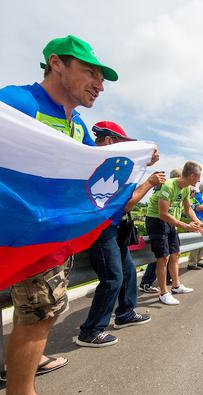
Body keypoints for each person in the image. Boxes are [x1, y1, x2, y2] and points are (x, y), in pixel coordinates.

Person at [0, 35, 116, 395]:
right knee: (38, 310)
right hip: (25, 233)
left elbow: (94, 175)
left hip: (54, 235)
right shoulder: (16, 102)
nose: (99, 83)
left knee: (45, 308)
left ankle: (29, 364)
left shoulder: (77, 124)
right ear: (56, 64)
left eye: (102, 77)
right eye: (90, 72)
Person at [75, 121, 164, 348]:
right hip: (101, 231)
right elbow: (125, 205)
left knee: (128, 272)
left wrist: (142, 163)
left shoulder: (106, 164)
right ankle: (91, 330)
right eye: (122, 143)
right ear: (109, 141)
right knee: (113, 278)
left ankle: (125, 314)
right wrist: (149, 182)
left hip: (112, 230)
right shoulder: (105, 166)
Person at [145, 162, 203, 305]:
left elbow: (188, 209)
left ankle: (176, 286)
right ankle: (163, 293)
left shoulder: (185, 188)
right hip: (156, 219)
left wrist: (198, 222)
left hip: (170, 221)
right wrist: (186, 225)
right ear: (192, 175)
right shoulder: (169, 186)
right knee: (163, 258)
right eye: (198, 177)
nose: (198, 180)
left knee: (175, 254)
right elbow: (163, 214)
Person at [139, 169, 182, 292]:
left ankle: (171, 282)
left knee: (167, 255)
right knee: (161, 256)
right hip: (160, 221)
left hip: (170, 222)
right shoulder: (166, 188)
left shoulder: (179, 190)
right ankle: (146, 282)